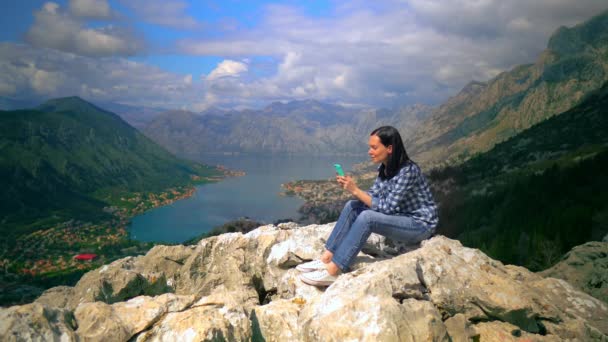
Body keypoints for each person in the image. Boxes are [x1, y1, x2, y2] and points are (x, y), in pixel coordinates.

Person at [298, 126, 438, 286]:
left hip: (419, 225)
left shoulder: (408, 171)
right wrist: (352, 189)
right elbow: (373, 196)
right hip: (401, 217)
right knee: (353, 206)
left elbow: (386, 208)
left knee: (367, 218)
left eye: (374, 147)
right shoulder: (385, 168)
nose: (370, 151)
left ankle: (333, 271)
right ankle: (327, 258)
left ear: (390, 148)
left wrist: (355, 190)